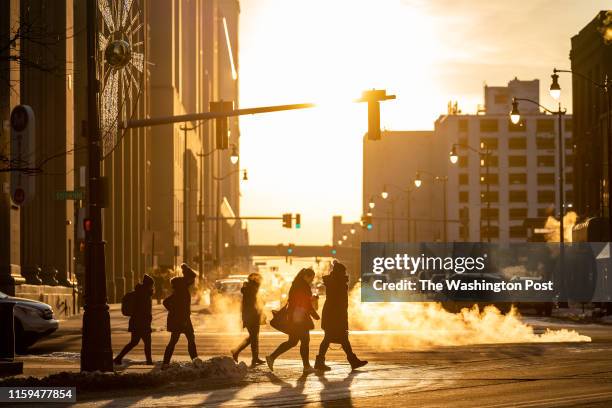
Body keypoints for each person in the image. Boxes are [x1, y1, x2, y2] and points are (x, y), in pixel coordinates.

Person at [315, 261, 367, 371]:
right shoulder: (338, 283)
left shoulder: (335, 282)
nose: (345, 274)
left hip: (332, 315)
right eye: (344, 272)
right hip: (335, 316)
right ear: (340, 272)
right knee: (334, 338)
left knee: (338, 339)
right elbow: (339, 303)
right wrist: (342, 319)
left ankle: (352, 361)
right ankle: (351, 361)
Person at [266, 268, 319, 373]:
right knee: (304, 341)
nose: (311, 281)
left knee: (293, 341)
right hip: (300, 318)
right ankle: (306, 366)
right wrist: (314, 314)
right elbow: (305, 303)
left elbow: (298, 301)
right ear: (306, 276)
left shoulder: (297, 284)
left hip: (294, 317)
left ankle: (272, 357)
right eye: (311, 278)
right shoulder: (303, 286)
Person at [162, 263, 201, 369]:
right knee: (188, 339)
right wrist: (185, 268)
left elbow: (165, 302)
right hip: (182, 320)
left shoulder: (179, 290)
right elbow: (192, 276)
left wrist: (184, 269)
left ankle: (166, 362)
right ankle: (195, 361)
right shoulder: (182, 291)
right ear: (182, 283)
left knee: (177, 340)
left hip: (180, 319)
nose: (190, 283)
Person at [114, 274, 155, 365]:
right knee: (147, 343)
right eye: (152, 285)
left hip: (137, 322)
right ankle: (149, 361)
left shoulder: (140, 292)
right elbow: (144, 310)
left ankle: (118, 358)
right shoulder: (144, 294)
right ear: (148, 285)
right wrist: (148, 319)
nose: (152, 287)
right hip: (142, 322)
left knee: (134, 342)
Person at [231, 273, 266, 367]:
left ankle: (254, 357)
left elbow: (257, 303)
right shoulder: (251, 290)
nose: (261, 282)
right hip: (251, 316)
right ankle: (237, 351)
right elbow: (254, 304)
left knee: (254, 337)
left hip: (253, 316)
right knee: (253, 337)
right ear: (255, 280)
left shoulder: (251, 289)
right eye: (259, 280)